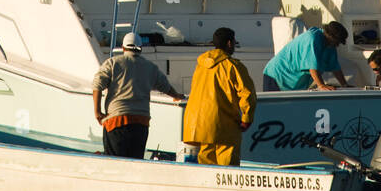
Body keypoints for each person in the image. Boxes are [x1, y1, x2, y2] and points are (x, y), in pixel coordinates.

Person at [92, 33, 185, 158]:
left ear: (123, 48)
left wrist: (97, 112)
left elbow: (97, 85)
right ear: (140, 48)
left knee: (115, 163)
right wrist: (177, 95)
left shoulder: (113, 63)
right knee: (136, 163)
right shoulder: (150, 67)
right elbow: (165, 87)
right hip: (141, 123)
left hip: (117, 122)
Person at [181, 27, 257, 168]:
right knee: (228, 167)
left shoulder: (201, 65)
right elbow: (247, 94)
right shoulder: (233, 66)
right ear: (229, 43)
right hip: (224, 125)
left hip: (201, 125)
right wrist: (247, 119)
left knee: (206, 167)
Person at [263, 21, 349, 92]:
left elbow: (335, 67)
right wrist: (321, 85)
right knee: (274, 111)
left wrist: (345, 85)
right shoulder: (312, 39)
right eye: (337, 42)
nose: (337, 45)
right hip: (277, 76)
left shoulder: (330, 45)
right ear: (330, 36)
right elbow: (312, 67)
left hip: (293, 84)